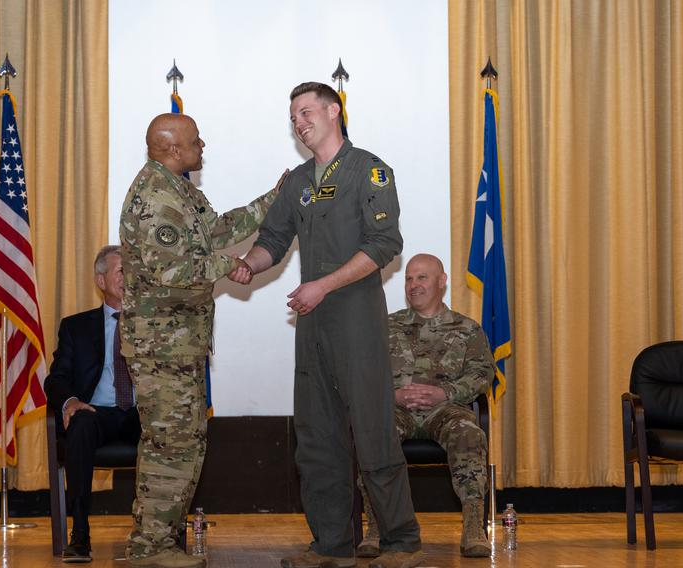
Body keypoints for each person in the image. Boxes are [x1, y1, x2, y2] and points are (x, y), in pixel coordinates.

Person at [233, 82, 423, 568]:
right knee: (317, 437)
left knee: (374, 432)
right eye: (293, 116)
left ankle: (400, 543)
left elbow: (385, 244)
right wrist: (250, 265)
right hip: (312, 324)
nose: (299, 122)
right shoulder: (297, 181)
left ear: (334, 111)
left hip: (355, 319)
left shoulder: (370, 170)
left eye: (306, 111)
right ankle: (331, 545)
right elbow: (273, 238)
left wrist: (324, 285)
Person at [119, 113, 285, 568]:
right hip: (160, 347)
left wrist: (273, 199)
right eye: (195, 140)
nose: (202, 144)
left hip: (181, 343)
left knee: (186, 441)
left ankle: (159, 541)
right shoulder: (154, 199)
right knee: (170, 443)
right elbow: (170, 272)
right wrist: (229, 265)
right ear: (171, 148)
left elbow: (216, 230)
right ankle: (150, 546)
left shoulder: (179, 189)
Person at [356, 253, 493, 559]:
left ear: (442, 281)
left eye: (422, 277)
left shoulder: (466, 328)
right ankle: (377, 527)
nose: (413, 285)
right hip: (396, 409)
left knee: (469, 433)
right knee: (375, 434)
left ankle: (473, 528)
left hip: (445, 410)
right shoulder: (384, 326)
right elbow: (364, 373)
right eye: (408, 278)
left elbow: (482, 374)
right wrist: (393, 396)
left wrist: (445, 393)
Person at [43, 245, 142, 563]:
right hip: (96, 413)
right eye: (121, 271)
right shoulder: (76, 326)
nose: (130, 278)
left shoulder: (155, 325)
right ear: (101, 280)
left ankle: (160, 534)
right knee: (81, 423)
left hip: (142, 414)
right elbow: (55, 379)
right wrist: (71, 402)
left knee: (168, 426)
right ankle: (80, 535)